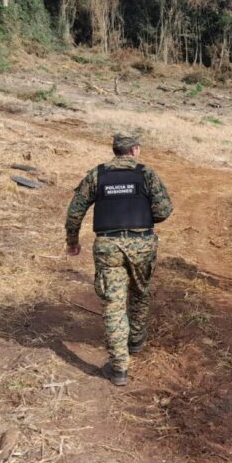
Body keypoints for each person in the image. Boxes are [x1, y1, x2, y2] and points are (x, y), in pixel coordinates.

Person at [64, 134, 173, 386]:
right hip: (142, 245)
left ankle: (119, 368)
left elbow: (75, 211)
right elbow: (164, 210)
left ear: (115, 151)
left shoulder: (97, 175)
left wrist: (72, 241)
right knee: (140, 291)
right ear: (134, 150)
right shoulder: (146, 174)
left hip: (108, 246)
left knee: (113, 305)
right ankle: (135, 340)